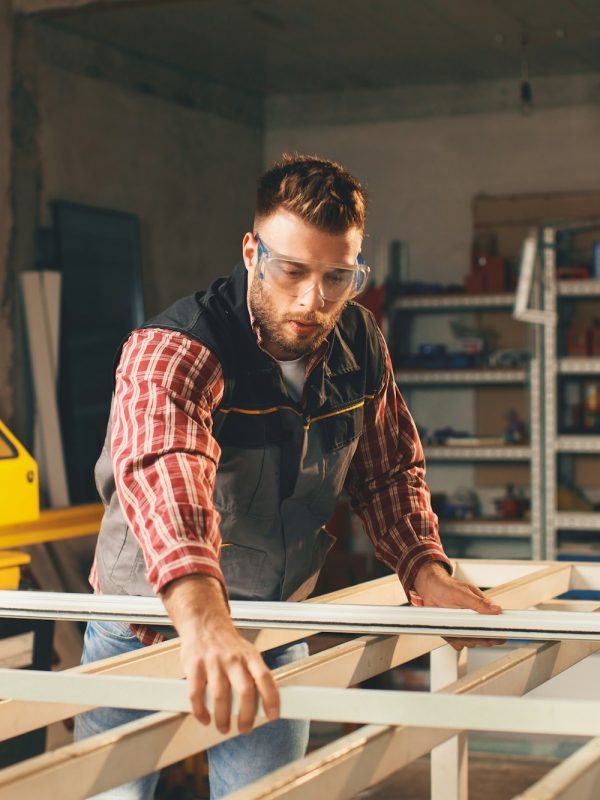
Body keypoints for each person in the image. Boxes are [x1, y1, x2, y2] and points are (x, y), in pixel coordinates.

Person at [76, 154, 502, 799]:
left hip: (273, 621)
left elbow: (387, 469)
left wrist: (424, 570)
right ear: (252, 252)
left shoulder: (359, 339)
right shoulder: (179, 348)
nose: (312, 301)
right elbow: (165, 471)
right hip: (147, 618)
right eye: (292, 270)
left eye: (338, 277)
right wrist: (206, 620)